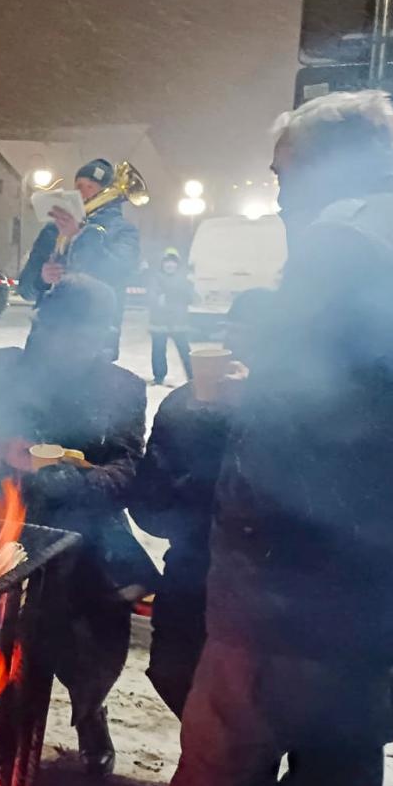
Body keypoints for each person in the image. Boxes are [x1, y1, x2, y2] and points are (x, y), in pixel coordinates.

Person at [71, 90, 393, 786]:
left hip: (291, 589)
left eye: (284, 175)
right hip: (379, 586)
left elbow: (295, 422)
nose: (281, 194)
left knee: (215, 782)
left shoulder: (341, 242)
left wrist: (236, 514)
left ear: (326, 164)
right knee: (338, 782)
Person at [0, 274, 158, 776]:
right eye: (59, 332)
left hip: (83, 534)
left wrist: (67, 479)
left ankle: (88, 710)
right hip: (1, 527)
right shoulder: (3, 369)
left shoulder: (121, 388)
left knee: (87, 634)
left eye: (83, 335)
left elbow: (127, 469)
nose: (68, 346)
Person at [130, 289, 274, 718]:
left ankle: (238, 779)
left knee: (251, 701)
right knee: (172, 671)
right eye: (234, 336)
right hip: (193, 569)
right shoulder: (183, 404)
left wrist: (251, 411)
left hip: (264, 584)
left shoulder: (287, 414)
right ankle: (210, 767)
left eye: (254, 341)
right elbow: (149, 506)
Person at [18, 157, 141, 306]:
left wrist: (78, 237)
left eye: (90, 187)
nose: (82, 192)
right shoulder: (53, 229)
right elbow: (25, 289)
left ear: (105, 193)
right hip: (48, 325)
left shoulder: (124, 231)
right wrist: (42, 279)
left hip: (96, 326)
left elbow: (116, 273)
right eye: (79, 186)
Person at [146, 248, 195, 387]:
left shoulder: (184, 279)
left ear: (177, 264)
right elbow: (152, 297)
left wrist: (169, 296)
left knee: (185, 350)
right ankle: (159, 376)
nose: (169, 265)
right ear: (162, 263)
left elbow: (190, 297)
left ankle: (193, 376)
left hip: (179, 322)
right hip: (159, 322)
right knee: (158, 350)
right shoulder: (155, 278)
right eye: (167, 262)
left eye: (173, 262)